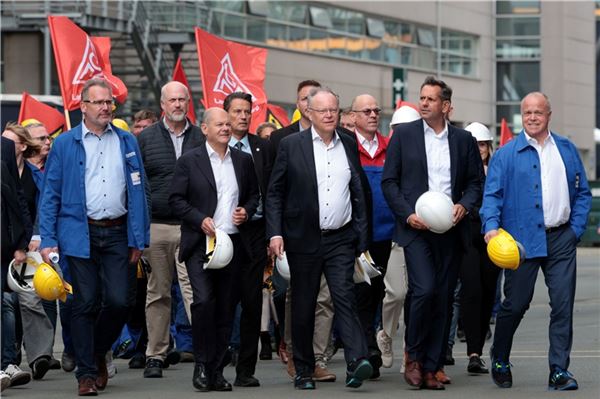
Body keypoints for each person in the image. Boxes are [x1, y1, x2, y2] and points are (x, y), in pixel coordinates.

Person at [38, 78, 150, 396]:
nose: (105, 107)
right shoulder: (64, 144)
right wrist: (47, 239)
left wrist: (138, 238)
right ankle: (86, 374)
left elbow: (139, 192)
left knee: (119, 301)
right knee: (83, 303)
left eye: (109, 102)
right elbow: (50, 196)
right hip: (78, 233)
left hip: (118, 232)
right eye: (98, 102)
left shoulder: (127, 141)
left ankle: (98, 351)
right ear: (83, 106)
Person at [481, 92, 591, 391]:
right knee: (515, 304)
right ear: (521, 115)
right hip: (520, 241)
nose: (532, 117)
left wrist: (575, 230)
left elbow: (582, 194)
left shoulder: (567, 149)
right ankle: (500, 357)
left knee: (563, 306)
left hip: (561, 239)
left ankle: (559, 370)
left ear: (548, 115)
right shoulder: (505, 154)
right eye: (527, 112)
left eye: (538, 112)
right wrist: (490, 227)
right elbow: (491, 197)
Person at [266, 87, 373, 390]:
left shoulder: (348, 143)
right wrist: (274, 233)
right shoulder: (291, 145)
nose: (328, 115)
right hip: (303, 238)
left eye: (333, 110)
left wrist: (360, 237)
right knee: (303, 303)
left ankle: (356, 362)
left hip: (341, 237)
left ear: (340, 113)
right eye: (322, 110)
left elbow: (358, 191)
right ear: (309, 113)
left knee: (344, 297)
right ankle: (303, 368)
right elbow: (275, 192)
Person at [381, 76, 483, 390]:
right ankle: (414, 357)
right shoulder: (404, 136)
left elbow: (476, 183)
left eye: (430, 99)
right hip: (415, 229)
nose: (423, 103)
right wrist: (407, 214)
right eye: (421, 98)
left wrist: (464, 205)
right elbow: (390, 182)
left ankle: (433, 365)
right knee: (423, 290)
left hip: (451, 231)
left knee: (442, 296)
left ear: (446, 106)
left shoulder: (463, 140)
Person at [168, 107, 259, 392]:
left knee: (226, 309)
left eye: (228, 124)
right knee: (204, 302)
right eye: (219, 124)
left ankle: (217, 371)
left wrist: (246, 210)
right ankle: (202, 365)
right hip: (200, 244)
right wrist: (199, 218)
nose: (226, 128)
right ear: (204, 129)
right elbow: (175, 199)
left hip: (231, 245)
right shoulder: (189, 161)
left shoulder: (243, 161)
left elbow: (255, 194)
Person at [138, 81, 203, 378]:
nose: (177, 105)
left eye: (182, 100)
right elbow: (137, 184)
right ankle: (156, 354)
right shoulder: (146, 138)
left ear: (188, 102)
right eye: (172, 100)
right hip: (157, 226)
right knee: (158, 293)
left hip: (193, 227)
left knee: (195, 292)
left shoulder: (201, 136)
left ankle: (205, 352)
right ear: (162, 104)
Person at [223, 92, 272, 387]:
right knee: (223, 301)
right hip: (223, 235)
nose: (243, 116)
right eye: (237, 111)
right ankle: (216, 363)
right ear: (226, 113)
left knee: (253, 302)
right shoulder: (212, 148)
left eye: (247, 111)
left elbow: (272, 192)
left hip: (255, 233)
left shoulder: (262, 148)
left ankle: (246, 369)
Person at [349, 94, 394, 379]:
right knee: (359, 294)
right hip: (355, 236)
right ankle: (365, 349)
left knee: (381, 292)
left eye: (376, 110)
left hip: (386, 234)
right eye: (366, 111)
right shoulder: (345, 146)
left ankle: (373, 344)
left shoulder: (390, 147)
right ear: (353, 116)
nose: (373, 114)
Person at [375, 104, 421, 372]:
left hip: (418, 234)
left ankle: (409, 351)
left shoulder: (421, 158)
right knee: (396, 292)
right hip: (391, 235)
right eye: (397, 130)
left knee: (416, 293)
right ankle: (387, 335)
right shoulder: (385, 156)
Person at [459, 122, 500, 375]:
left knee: (488, 292)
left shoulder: (496, 171)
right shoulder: (460, 171)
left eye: (483, 144)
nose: (479, 148)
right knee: (471, 289)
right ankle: (473, 352)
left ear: (489, 146)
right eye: (475, 144)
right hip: (466, 235)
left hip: (492, 237)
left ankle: (479, 346)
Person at [1, 135, 33, 389]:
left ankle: (7, 364)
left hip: (4, 248)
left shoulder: (3, 154)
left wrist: (22, 243)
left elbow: (18, 202)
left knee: (5, 305)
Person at [269, 80, 321, 152]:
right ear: (297, 105)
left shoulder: (338, 134)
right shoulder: (279, 137)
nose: (309, 103)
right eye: (305, 99)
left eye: (314, 98)